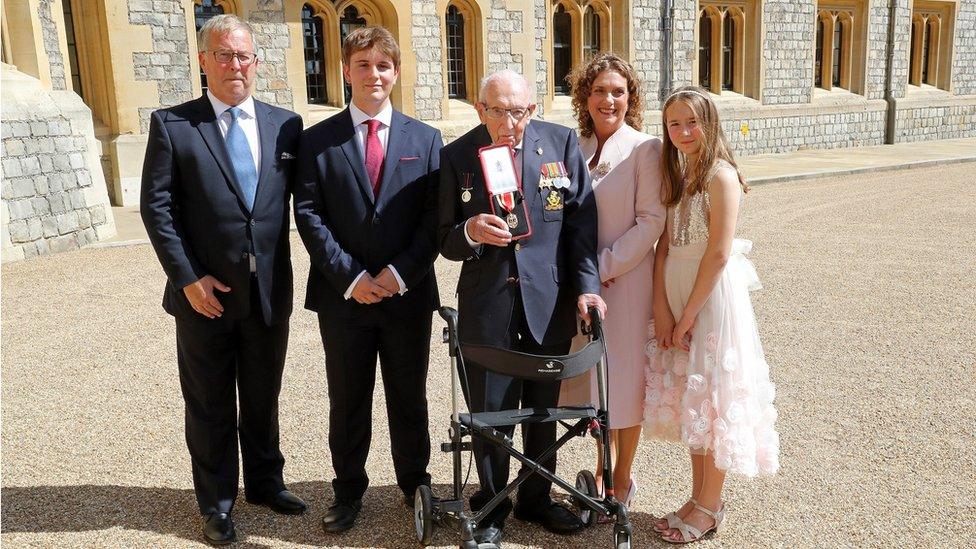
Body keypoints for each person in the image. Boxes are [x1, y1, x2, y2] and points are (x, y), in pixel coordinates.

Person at [140, 14, 306, 545]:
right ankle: (216, 502)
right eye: (225, 55)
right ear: (204, 61)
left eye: (244, 56)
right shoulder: (173, 124)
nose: (236, 65)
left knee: (262, 396)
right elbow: (157, 209)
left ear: (256, 62)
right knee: (210, 402)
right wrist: (188, 279)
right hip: (203, 296)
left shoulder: (287, 125)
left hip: (267, 291)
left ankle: (265, 483)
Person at [438, 69, 607, 546]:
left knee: (541, 410)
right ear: (480, 110)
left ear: (532, 109)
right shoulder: (456, 155)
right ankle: (493, 505)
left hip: (547, 302)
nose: (509, 121)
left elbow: (580, 225)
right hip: (487, 305)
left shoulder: (560, 143)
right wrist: (469, 233)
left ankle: (536, 498)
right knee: (492, 412)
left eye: (518, 111)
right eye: (497, 111)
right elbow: (443, 239)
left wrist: (586, 287)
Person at [293, 26, 442, 535]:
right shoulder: (316, 141)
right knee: (348, 396)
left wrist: (400, 273)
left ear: (396, 72)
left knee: (409, 395)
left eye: (383, 65)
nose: (373, 74)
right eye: (363, 65)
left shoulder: (426, 140)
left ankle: (413, 483)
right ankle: (348, 489)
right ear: (345, 71)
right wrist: (352, 277)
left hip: (407, 294)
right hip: (345, 299)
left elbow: (432, 219)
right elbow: (309, 214)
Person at [644, 86, 779, 544]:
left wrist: (687, 318)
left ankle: (710, 505)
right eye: (673, 123)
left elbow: (719, 253)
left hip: (711, 298)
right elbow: (664, 245)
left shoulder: (721, 176)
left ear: (709, 122)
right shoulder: (679, 173)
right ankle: (698, 495)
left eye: (691, 122)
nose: (683, 132)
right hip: (677, 292)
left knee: (715, 398)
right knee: (693, 399)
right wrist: (663, 309)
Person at [558, 53, 666, 512]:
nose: (608, 99)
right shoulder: (570, 147)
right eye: (599, 90)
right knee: (593, 384)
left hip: (623, 283)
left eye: (618, 91)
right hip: (579, 285)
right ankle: (600, 467)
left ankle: (620, 479)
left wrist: (600, 268)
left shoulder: (646, 149)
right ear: (585, 95)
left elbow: (651, 221)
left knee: (623, 383)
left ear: (630, 98)